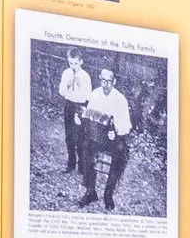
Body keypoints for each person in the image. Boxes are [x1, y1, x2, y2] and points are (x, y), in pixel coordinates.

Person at [79, 65, 134, 210]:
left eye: (108, 81)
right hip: (96, 137)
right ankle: (91, 192)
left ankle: (108, 194)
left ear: (114, 81)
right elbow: (89, 114)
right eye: (102, 81)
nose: (105, 85)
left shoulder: (121, 100)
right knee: (85, 148)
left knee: (120, 154)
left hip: (113, 138)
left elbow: (127, 126)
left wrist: (116, 130)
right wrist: (82, 118)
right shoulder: (95, 94)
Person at [55, 48, 92, 176]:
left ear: (81, 62)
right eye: (71, 63)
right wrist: (67, 86)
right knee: (68, 137)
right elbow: (61, 92)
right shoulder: (66, 73)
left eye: (76, 63)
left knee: (80, 138)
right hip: (69, 105)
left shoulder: (85, 76)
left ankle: (82, 166)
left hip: (80, 106)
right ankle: (71, 164)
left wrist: (79, 87)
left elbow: (87, 96)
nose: (73, 66)